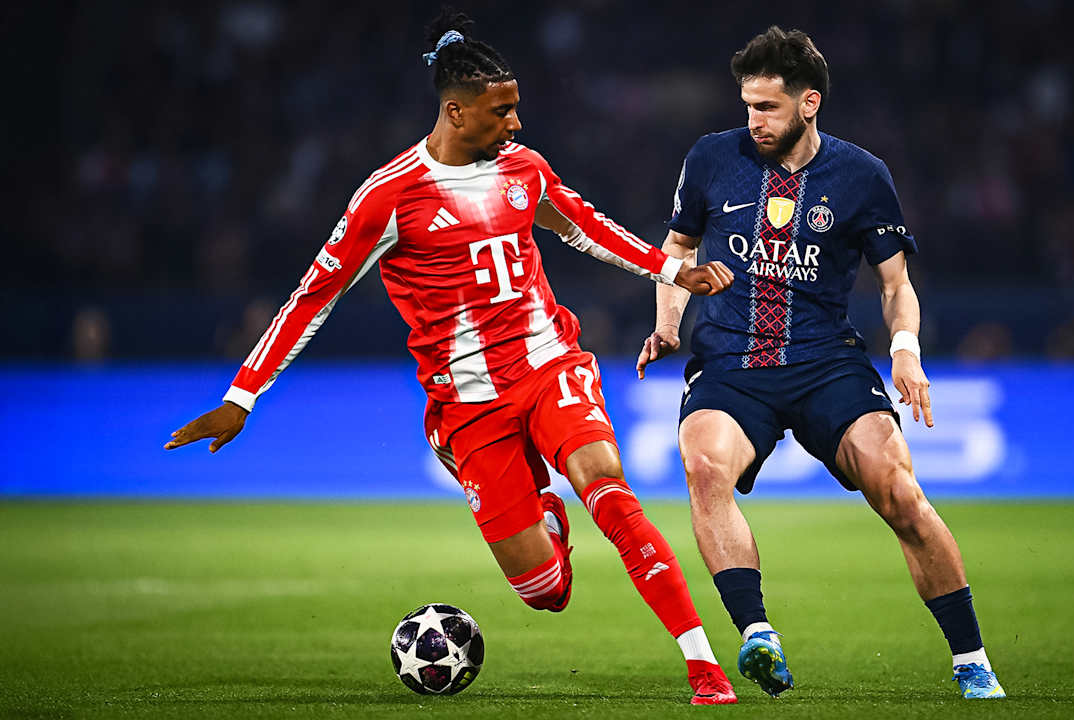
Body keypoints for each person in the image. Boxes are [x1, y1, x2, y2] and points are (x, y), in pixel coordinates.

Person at [164, 11, 738, 705]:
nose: (516, 123)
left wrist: (674, 272)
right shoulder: (389, 196)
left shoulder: (525, 169)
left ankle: (704, 667)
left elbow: (587, 229)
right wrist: (241, 398)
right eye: (502, 111)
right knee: (545, 591)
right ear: (456, 111)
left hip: (548, 363)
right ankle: (543, 512)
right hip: (467, 402)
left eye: (517, 108)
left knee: (608, 489)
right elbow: (313, 296)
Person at [636, 26, 1005, 700]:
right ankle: (757, 634)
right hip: (732, 362)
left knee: (899, 492)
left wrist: (905, 350)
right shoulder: (712, 157)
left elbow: (895, 285)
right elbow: (677, 251)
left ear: (809, 103)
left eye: (768, 107)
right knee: (704, 466)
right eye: (748, 106)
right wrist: (666, 325)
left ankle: (971, 659)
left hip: (825, 363)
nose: (755, 120)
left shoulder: (862, 175)